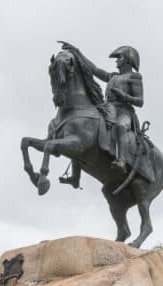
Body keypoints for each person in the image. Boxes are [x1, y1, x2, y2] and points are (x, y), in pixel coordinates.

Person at [58, 42, 149, 190]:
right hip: (108, 109)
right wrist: (77, 52)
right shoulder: (112, 76)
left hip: (124, 111)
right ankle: (75, 177)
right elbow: (94, 69)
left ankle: (121, 160)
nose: (117, 61)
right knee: (84, 129)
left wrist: (123, 95)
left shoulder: (134, 77)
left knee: (120, 126)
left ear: (128, 60)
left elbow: (140, 101)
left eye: (120, 58)